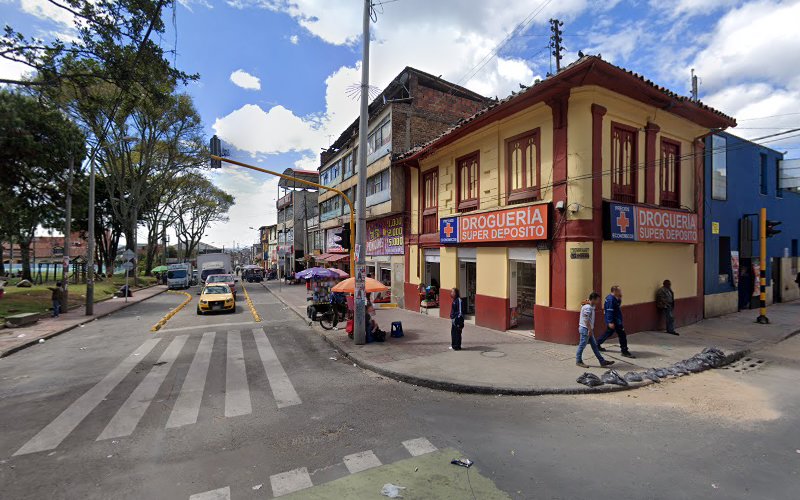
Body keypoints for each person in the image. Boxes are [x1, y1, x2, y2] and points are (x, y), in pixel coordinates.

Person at [576, 292, 614, 368]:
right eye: (597, 300)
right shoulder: (588, 307)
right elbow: (586, 320)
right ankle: (578, 361)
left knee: (595, 346)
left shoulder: (589, 305)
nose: (598, 301)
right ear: (593, 299)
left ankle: (602, 361)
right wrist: (589, 330)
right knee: (582, 346)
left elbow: (584, 304)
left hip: (587, 329)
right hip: (585, 329)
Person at [597, 285, 635, 358]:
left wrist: (619, 298)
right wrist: (610, 322)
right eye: (619, 291)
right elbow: (609, 311)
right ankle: (624, 351)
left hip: (616, 320)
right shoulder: (611, 299)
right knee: (622, 335)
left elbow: (617, 306)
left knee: (608, 333)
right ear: (614, 291)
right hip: (615, 320)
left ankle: (597, 344)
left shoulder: (613, 298)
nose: (620, 292)